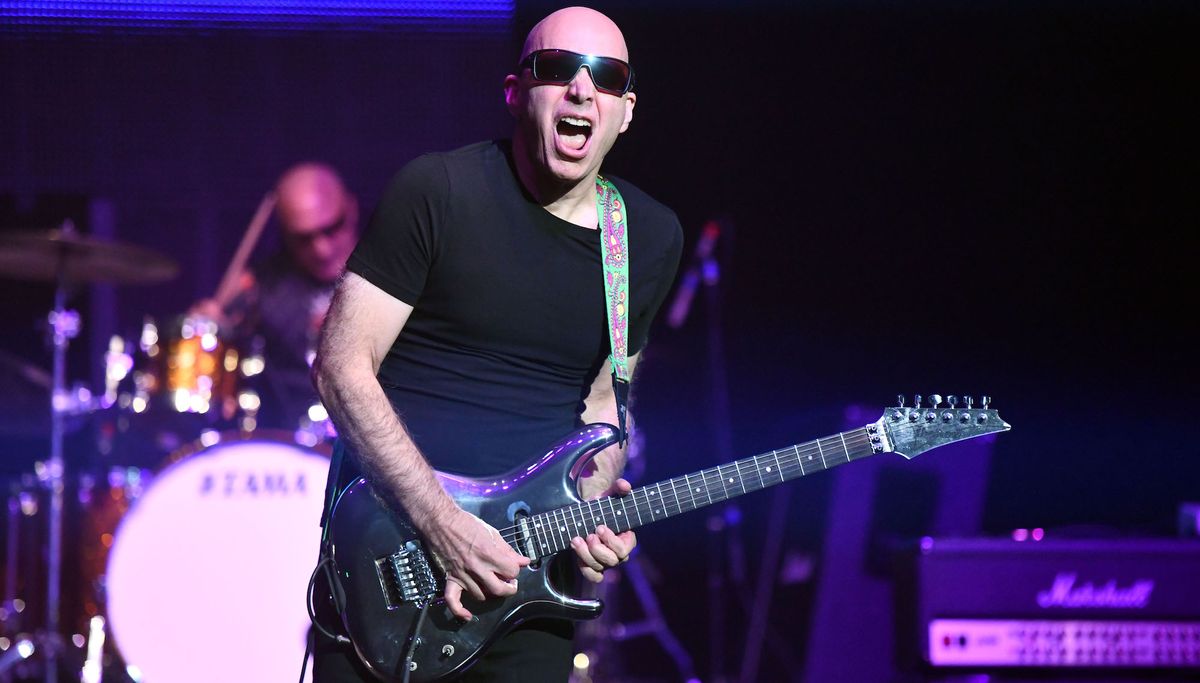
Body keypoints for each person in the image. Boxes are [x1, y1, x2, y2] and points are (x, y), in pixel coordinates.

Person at [311, 6, 682, 681]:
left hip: (527, 590)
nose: (580, 89)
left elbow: (606, 402)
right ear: (516, 92)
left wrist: (587, 516)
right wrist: (441, 524)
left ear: (625, 111)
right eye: (557, 69)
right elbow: (341, 368)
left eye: (605, 78)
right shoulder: (438, 191)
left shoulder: (648, 238)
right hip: (391, 564)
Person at [193, 162, 359, 432]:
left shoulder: (395, 274)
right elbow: (210, 340)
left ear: (350, 210)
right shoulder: (259, 287)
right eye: (303, 238)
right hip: (291, 441)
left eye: (331, 228)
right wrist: (205, 329)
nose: (321, 248)